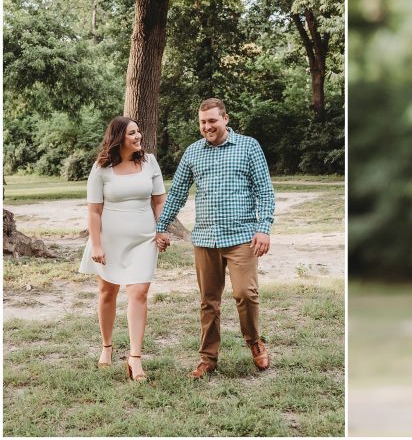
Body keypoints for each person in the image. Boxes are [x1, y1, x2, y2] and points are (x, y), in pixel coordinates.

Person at [154, 98, 276, 379]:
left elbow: (265, 191)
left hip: (242, 236)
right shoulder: (193, 152)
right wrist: (161, 226)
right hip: (206, 239)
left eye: (212, 121)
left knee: (246, 293)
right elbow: (177, 193)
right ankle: (208, 358)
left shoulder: (249, 147)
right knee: (209, 301)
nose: (207, 126)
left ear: (225, 118)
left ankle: (255, 342)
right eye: (203, 122)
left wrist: (264, 228)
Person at [79, 116, 167, 382]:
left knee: (139, 292)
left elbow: (160, 201)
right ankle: (106, 346)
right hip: (109, 240)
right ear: (119, 138)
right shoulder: (101, 167)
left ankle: (135, 358)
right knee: (107, 292)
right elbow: (94, 211)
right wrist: (96, 244)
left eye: (139, 131)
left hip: (144, 239)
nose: (138, 136)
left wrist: (161, 229)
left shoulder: (149, 162)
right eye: (132, 133)